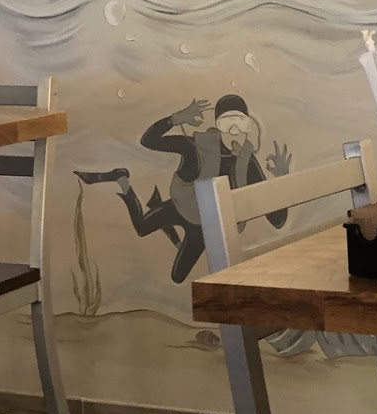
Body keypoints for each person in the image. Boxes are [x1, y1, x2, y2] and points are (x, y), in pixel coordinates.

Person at [76, 93, 291, 283]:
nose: (234, 130)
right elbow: (148, 141)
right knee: (141, 228)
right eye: (227, 122)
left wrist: (282, 180)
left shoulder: (247, 162)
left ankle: (177, 239)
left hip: (206, 227)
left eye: (240, 122)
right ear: (218, 125)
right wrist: (175, 119)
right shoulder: (196, 147)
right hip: (181, 207)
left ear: (249, 126)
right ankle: (122, 180)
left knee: (177, 277)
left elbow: (278, 220)